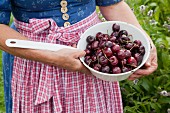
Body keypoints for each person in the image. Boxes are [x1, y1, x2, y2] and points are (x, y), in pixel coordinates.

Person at [0, 0, 158, 113]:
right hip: (33, 54)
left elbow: (112, 4)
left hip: (93, 52)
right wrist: (51, 57)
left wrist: (146, 43)